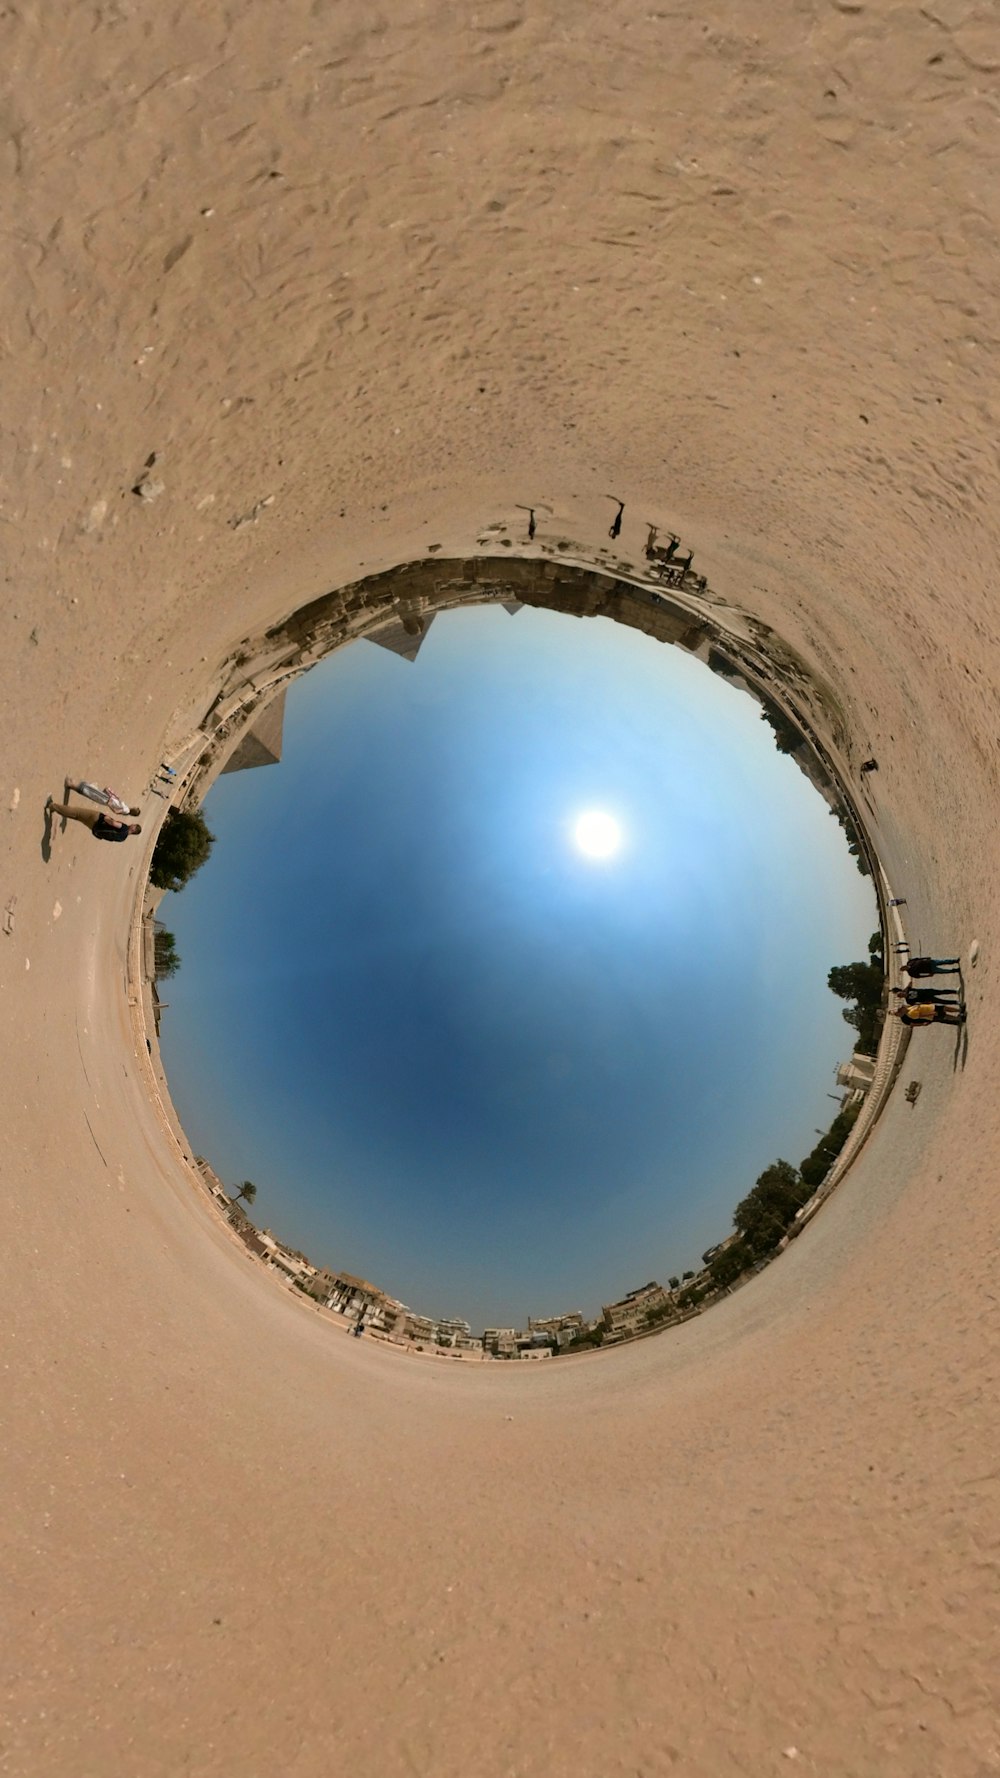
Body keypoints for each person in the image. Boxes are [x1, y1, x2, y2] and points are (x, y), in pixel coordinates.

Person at [48, 800, 141, 843]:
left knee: (76, 812)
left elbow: (113, 823)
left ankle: (53, 806)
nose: (132, 824)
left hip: (98, 819)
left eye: (134, 825)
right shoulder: (122, 839)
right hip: (95, 828)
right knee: (77, 817)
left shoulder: (124, 828)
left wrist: (106, 818)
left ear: (133, 829)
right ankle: (56, 810)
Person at [67, 780, 140, 818]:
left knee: (91, 792)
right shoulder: (127, 810)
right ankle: (72, 785)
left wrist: (109, 804)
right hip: (108, 798)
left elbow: (116, 811)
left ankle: (71, 785)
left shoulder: (126, 810)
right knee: (93, 791)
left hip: (107, 800)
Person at [892, 1003, 964, 1027]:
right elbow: (921, 1015)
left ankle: (959, 1010)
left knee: (945, 1008)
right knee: (945, 1016)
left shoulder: (909, 1008)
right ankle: (959, 1018)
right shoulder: (910, 1014)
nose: (902, 1008)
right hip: (931, 1013)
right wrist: (931, 1013)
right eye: (901, 1009)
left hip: (930, 1007)